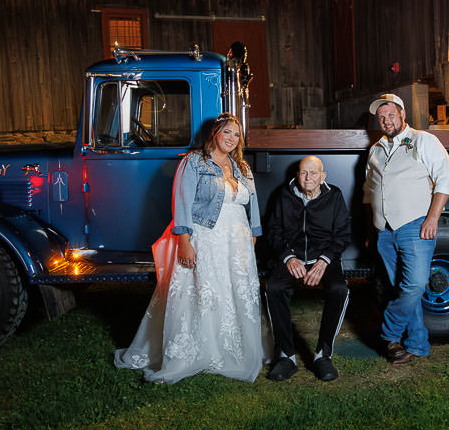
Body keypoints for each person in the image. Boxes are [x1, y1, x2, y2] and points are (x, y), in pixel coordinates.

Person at [115, 113, 264, 383]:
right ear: (215, 134)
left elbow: (252, 205)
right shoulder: (194, 162)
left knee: (235, 292)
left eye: (236, 134)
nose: (232, 139)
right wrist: (184, 241)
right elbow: (181, 203)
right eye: (227, 132)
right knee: (205, 293)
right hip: (207, 238)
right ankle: (200, 351)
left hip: (237, 242)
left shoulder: (242, 167)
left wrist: (253, 236)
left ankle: (234, 348)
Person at [363, 93, 449, 365]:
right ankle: (417, 344)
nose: (385, 120)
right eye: (381, 117)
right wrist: (370, 231)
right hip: (384, 231)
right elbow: (368, 191)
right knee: (404, 289)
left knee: (415, 285)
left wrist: (432, 219)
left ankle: (389, 332)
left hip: (415, 225)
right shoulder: (376, 149)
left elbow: (446, 179)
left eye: (390, 114)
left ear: (403, 114)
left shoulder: (424, 140)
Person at [264, 156, 351, 382]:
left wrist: (323, 261)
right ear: (297, 175)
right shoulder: (284, 195)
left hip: (323, 257)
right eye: (304, 172)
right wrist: (288, 258)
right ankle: (286, 356)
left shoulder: (335, 196)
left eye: (314, 173)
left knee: (339, 290)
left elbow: (342, 235)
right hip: (292, 256)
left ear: (323, 177)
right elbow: (273, 230)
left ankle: (323, 355)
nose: (308, 177)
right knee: (273, 287)